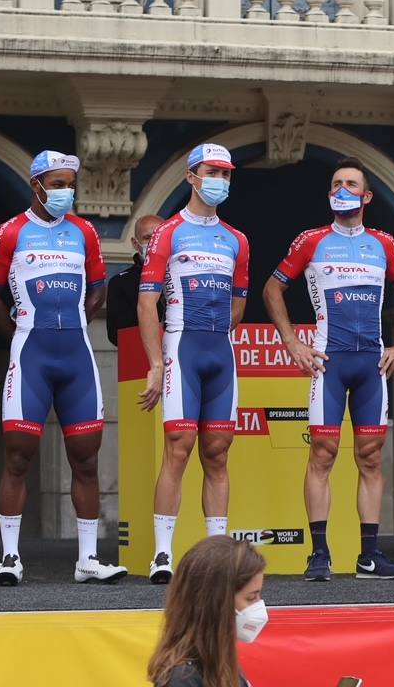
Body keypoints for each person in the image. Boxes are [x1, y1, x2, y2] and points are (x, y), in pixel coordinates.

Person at [263, 156, 394, 582]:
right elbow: (272, 288)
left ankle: (369, 556)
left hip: (372, 364)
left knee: (370, 458)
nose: (342, 189)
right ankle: (319, 554)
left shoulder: (384, 243)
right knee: (323, 455)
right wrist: (292, 341)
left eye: (351, 183)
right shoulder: (311, 240)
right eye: (335, 183)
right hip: (329, 363)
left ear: (366, 196)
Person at [0, 150, 127, 585]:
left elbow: (99, 289)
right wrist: (19, 334)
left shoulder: (84, 232)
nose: (66, 191)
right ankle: (9, 557)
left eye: (70, 184)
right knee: (18, 458)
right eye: (57, 183)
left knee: (86, 460)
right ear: (37, 185)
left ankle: (87, 560)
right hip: (31, 357)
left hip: (77, 357)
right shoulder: (10, 231)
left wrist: (80, 317)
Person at [138, 143, 250, 584]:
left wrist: (216, 330)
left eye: (226, 173)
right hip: (182, 347)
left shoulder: (237, 239)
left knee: (218, 453)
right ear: (191, 176)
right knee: (178, 448)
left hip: (220, 352)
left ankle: (216, 556)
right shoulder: (168, 233)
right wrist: (155, 362)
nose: (220, 180)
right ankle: (162, 554)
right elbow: (147, 304)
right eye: (212, 171)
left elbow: (238, 306)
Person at [147, 536, 268, 687]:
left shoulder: (220, 663)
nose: (259, 606)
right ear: (216, 601)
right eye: (251, 598)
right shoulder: (182, 680)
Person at [106, 213, 166, 347]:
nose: (154, 243)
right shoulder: (120, 283)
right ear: (135, 243)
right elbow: (116, 334)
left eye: (158, 237)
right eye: (147, 238)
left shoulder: (181, 276)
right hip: (139, 355)